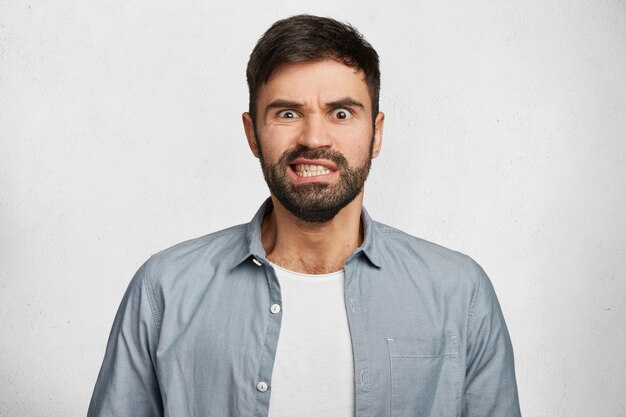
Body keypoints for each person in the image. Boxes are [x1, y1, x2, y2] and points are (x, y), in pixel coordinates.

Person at [88, 14, 521, 417]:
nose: (314, 137)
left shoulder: (459, 293)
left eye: (341, 113)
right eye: (288, 113)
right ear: (252, 134)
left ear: (377, 133)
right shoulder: (165, 289)